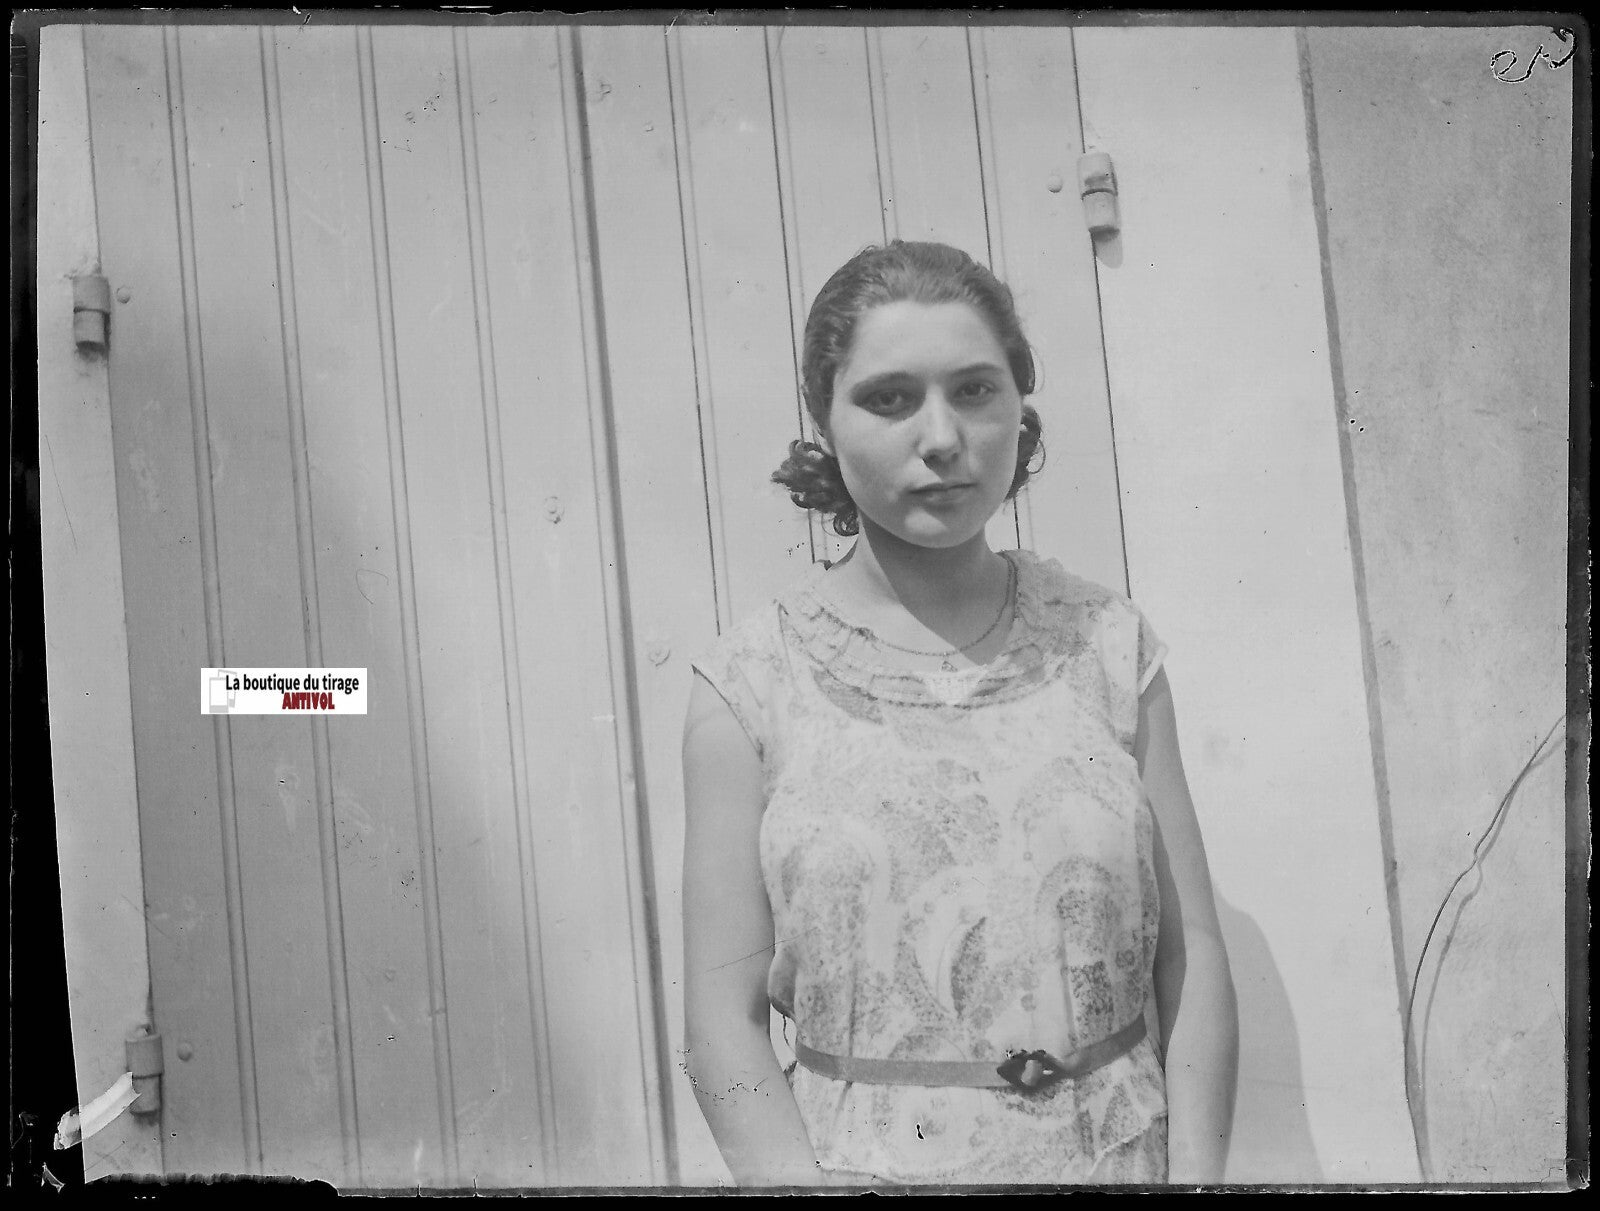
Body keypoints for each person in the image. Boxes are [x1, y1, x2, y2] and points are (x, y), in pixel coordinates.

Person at [681, 240, 1238, 1187]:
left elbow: (1192, 959)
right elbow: (718, 1015)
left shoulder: (1108, 644)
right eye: (889, 397)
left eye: (975, 390)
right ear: (826, 420)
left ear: (1020, 409)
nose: (941, 437)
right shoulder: (749, 682)